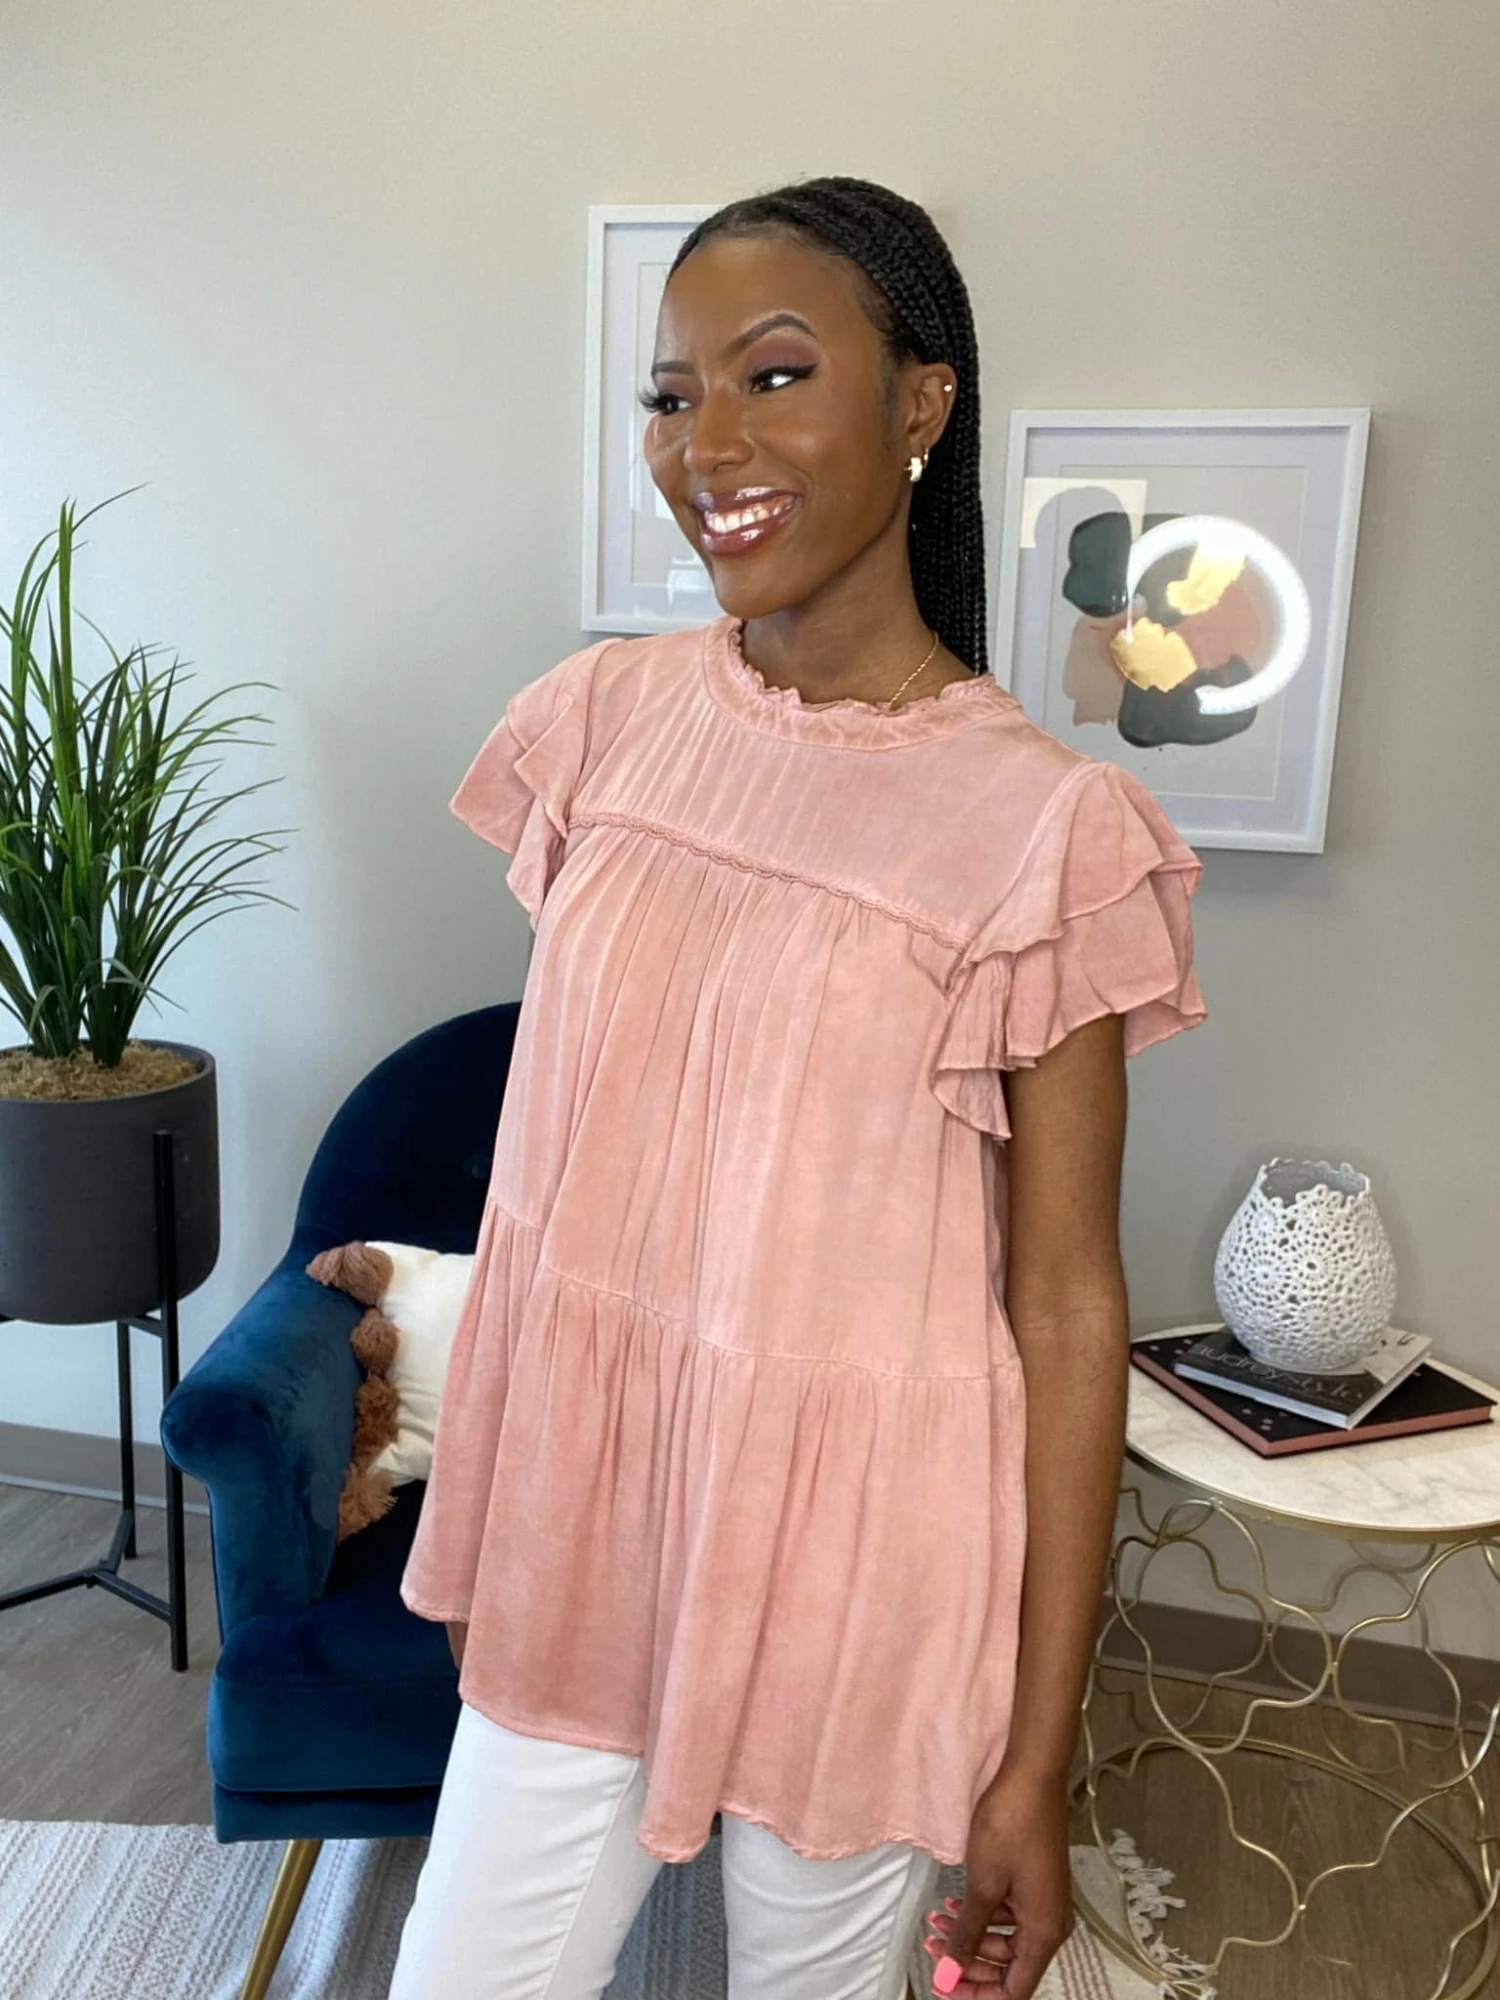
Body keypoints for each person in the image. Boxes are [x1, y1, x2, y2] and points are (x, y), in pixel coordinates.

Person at [388, 175, 1207, 2000]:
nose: (708, 446)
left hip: (860, 1569)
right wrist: (501, 1491)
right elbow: (566, 1188)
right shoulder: (602, 722)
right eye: (673, 395)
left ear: (921, 405)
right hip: (591, 1536)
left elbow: (1068, 1308)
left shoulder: (1045, 834)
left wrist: (1034, 1760)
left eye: (772, 377)